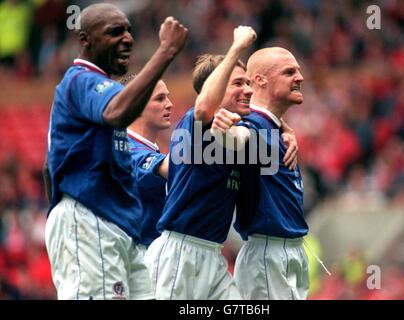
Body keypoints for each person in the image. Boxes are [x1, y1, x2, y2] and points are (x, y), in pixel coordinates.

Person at [43, 3, 187, 300]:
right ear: (85, 40)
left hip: (119, 229)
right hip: (90, 220)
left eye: (129, 31)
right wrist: (166, 52)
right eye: (115, 31)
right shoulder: (80, 79)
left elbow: (49, 167)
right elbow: (116, 112)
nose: (128, 39)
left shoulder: (97, 89)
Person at [144, 25, 257, 300]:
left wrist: (286, 131)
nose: (248, 90)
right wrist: (237, 47)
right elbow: (206, 107)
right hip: (179, 255)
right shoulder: (194, 123)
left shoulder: (240, 133)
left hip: (213, 256)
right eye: (237, 83)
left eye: (248, 83)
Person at [212, 47, 317, 300]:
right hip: (268, 252)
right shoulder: (253, 126)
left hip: (285, 250)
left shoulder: (272, 127)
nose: (300, 78)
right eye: (289, 72)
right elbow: (239, 136)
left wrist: (283, 127)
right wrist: (224, 130)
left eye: (299, 71)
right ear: (260, 80)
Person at [122, 76, 172, 247]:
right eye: (160, 98)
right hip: (135, 253)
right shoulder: (124, 148)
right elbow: (175, 167)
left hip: (150, 250)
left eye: (167, 96)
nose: (169, 104)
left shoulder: (149, 148)